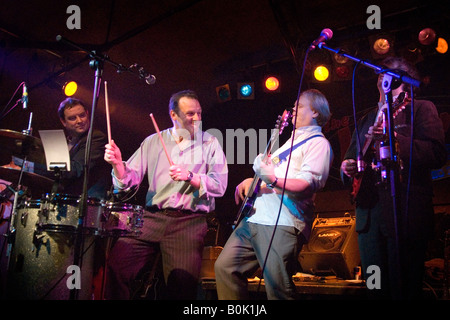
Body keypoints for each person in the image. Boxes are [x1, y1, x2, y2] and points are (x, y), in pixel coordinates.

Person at [103, 89, 228, 300]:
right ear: (173, 115)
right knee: (116, 266)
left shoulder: (210, 142)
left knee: (182, 284)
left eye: (199, 113)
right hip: (151, 218)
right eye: (190, 114)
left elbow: (220, 185)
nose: (197, 118)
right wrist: (117, 165)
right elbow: (127, 181)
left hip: (188, 221)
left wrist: (191, 176)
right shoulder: (153, 141)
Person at [340, 56, 446, 299]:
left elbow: (437, 152)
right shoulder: (365, 119)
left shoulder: (421, 108)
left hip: (405, 211)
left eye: (389, 70)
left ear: (405, 78)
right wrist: (346, 167)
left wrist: (397, 142)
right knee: (375, 288)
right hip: (369, 215)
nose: (381, 73)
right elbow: (349, 159)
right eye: (380, 70)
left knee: (404, 288)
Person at [214, 89, 333, 300]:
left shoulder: (318, 143)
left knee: (278, 289)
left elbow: (308, 184)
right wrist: (253, 182)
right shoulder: (289, 143)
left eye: (300, 106)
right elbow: (271, 179)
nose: (294, 109)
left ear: (315, 112)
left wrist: (273, 180)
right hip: (256, 218)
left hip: (282, 223)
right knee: (225, 268)